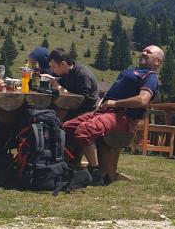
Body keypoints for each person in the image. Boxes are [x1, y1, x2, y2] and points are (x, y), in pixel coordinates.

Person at [63, 45, 164, 186]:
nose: (143, 52)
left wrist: (115, 103)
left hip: (121, 116)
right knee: (67, 127)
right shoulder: (132, 70)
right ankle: (70, 165)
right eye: (143, 50)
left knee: (85, 130)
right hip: (104, 111)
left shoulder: (150, 76)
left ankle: (95, 172)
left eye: (148, 52)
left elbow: (142, 100)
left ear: (157, 61)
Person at [46, 49, 99, 117]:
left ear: (63, 64)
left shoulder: (82, 75)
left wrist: (59, 87)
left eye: (53, 67)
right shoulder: (66, 70)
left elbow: (81, 100)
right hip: (70, 105)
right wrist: (51, 79)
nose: (51, 70)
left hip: (85, 110)